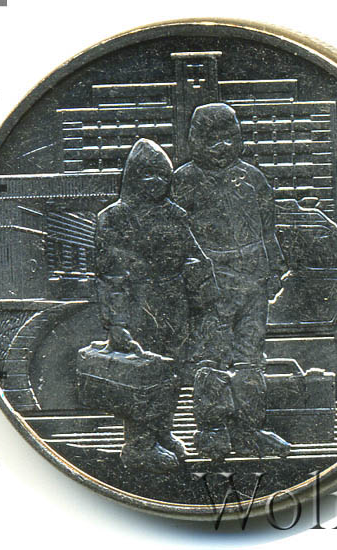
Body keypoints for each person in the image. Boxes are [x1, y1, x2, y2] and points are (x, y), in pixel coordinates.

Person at [172, 103, 291, 459]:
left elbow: (268, 228)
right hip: (211, 285)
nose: (221, 147)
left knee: (251, 358)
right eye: (211, 139)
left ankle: (250, 429)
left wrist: (274, 269)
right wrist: (191, 278)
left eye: (228, 137)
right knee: (210, 359)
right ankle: (211, 431)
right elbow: (177, 237)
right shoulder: (184, 180)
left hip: (253, 281)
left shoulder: (253, 178)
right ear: (195, 140)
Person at [94, 138, 215, 471]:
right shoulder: (113, 218)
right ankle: (138, 443)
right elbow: (109, 275)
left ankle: (162, 432)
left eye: (162, 175)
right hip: (136, 307)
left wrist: (197, 277)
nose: (155, 182)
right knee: (141, 377)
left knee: (171, 374)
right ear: (132, 177)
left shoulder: (176, 215)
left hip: (174, 306)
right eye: (147, 174)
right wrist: (116, 322)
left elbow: (195, 255)